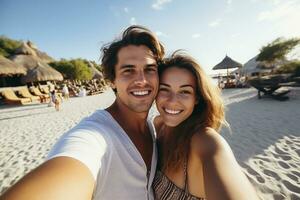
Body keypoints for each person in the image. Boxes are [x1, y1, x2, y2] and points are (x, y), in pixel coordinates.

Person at [1, 25, 165, 200]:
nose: (141, 80)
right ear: (111, 81)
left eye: (149, 69)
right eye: (128, 71)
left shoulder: (153, 128)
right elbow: (69, 169)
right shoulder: (95, 137)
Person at [152, 52, 259, 200]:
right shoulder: (158, 124)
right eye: (164, 89)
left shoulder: (205, 140)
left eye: (184, 91)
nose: (172, 101)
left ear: (197, 98)